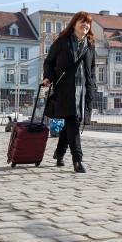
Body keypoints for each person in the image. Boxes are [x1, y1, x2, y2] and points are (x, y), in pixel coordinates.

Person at [42, 11, 96, 173]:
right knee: (72, 120)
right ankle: (77, 159)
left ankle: (59, 153)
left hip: (83, 90)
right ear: (74, 24)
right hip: (65, 88)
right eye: (82, 22)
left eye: (88, 23)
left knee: (73, 122)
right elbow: (49, 62)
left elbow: (92, 68)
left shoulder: (90, 45)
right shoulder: (62, 42)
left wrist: (92, 84)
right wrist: (48, 78)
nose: (85, 25)